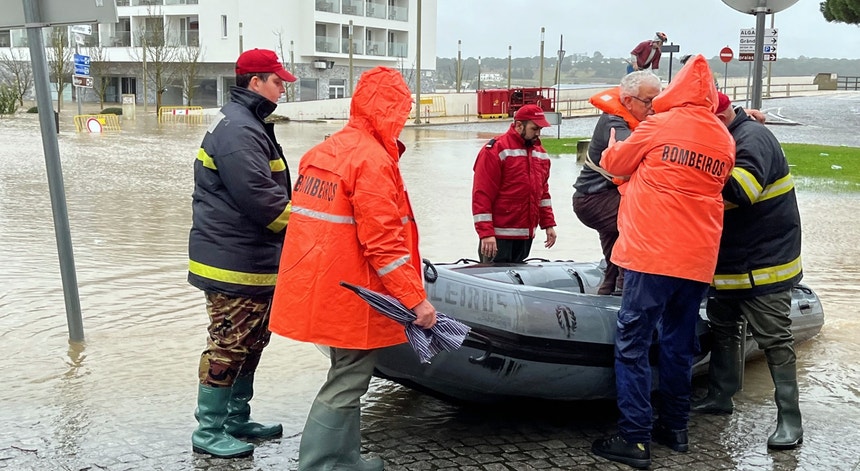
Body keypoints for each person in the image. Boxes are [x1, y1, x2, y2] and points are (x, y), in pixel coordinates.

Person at [268, 66, 437, 470]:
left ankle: (346, 457)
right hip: (355, 293)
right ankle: (321, 464)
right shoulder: (372, 161)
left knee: (345, 373)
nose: (404, 119)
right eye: (402, 110)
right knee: (348, 381)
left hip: (320, 288)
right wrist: (416, 300)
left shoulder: (323, 152)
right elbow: (383, 245)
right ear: (392, 110)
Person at [590, 54, 736, 469]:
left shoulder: (658, 125)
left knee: (633, 344)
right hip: (698, 259)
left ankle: (634, 439)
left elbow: (615, 165)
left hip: (651, 253)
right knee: (678, 344)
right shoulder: (724, 138)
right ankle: (675, 428)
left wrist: (617, 148)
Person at [188, 48, 296, 458]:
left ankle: (235, 418)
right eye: (277, 80)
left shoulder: (249, 124)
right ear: (256, 82)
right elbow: (262, 200)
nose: (283, 87)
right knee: (230, 344)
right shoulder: (238, 131)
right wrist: (311, 230)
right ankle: (209, 430)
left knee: (253, 342)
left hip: (250, 260)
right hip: (232, 262)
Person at [692, 92, 804, 450]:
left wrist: (687, 178)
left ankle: (790, 420)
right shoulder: (729, 136)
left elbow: (741, 191)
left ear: (720, 116)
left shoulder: (752, 139)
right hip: (729, 261)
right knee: (723, 328)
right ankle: (721, 396)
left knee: (775, 340)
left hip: (765, 264)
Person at [572, 71, 662, 295]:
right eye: (648, 101)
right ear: (628, 101)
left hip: (609, 196)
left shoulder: (640, 117)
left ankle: (610, 288)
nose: (654, 106)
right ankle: (626, 289)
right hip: (594, 198)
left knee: (614, 248)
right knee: (641, 222)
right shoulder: (614, 121)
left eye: (657, 100)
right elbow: (629, 154)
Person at [472, 104, 557, 263]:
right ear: (519, 125)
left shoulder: (541, 155)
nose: (538, 133)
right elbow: (481, 195)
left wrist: (548, 224)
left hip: (525, 236)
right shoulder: (495, 150)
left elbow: (543, 194)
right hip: (497, 237)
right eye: (534, 128)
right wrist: (486, 233)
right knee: (493, 284)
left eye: (540, 129)